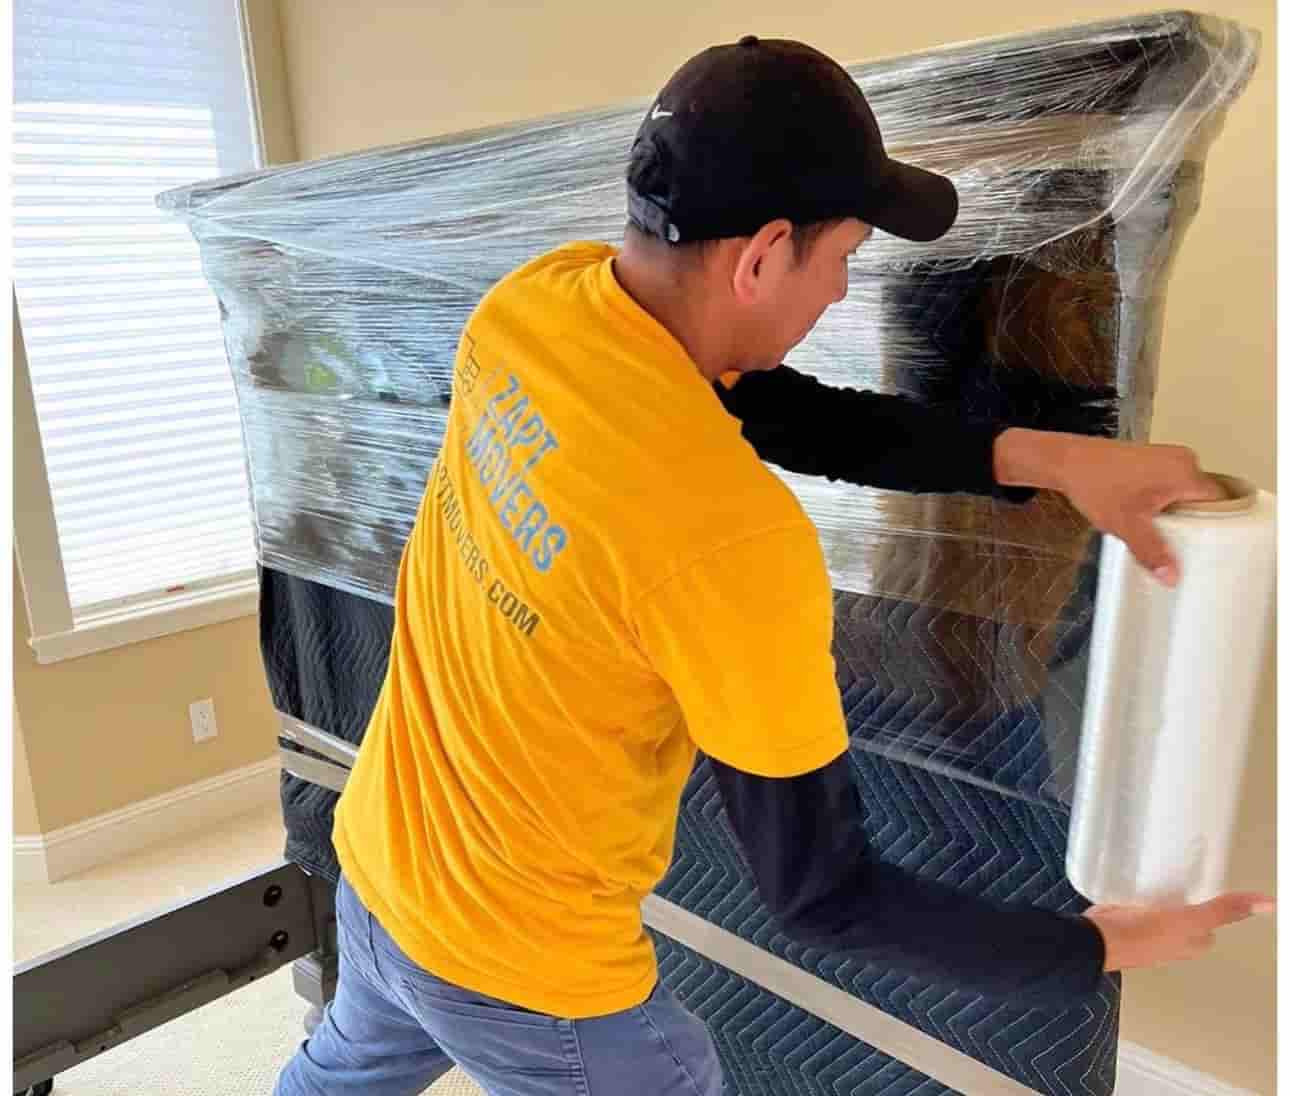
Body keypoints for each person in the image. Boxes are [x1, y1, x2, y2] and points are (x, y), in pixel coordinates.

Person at [275, 36, 1273, 1096]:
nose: (841, 291)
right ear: (759, 258)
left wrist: (1056, 459)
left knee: (333, 1083)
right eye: (843, 256)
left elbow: (779, 410)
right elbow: (824, 894)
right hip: (526, 968)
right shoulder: (732, 542)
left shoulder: (539, 307)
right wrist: (1094, 946)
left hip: (383, 865)